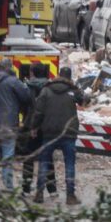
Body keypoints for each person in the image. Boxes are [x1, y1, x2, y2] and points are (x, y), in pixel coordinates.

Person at [31, 66, 85, 205]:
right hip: (68, 133)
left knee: (44, 163)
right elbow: (83, 100)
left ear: (58, 75)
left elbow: (38, 112)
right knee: (69, 165)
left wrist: (34, 128)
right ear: (69, 76)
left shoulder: (46, 90)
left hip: (49, 132)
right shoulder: (72, 90)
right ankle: (70, 196)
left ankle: (39, 194)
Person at [0, 57, 33, 192]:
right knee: (7, 156)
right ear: (10, 67)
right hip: (9, 123)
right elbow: (26, 97)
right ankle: (8, 186)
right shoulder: (12, 81)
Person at [19, 63, 55, 196]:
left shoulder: (27, 87)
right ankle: (52, 190)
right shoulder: (51, 88)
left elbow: (22, 103)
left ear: (32, 73)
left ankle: (26, 189)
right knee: (48, 158)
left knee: (29, 158)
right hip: (46, 126)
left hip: (30, 125)